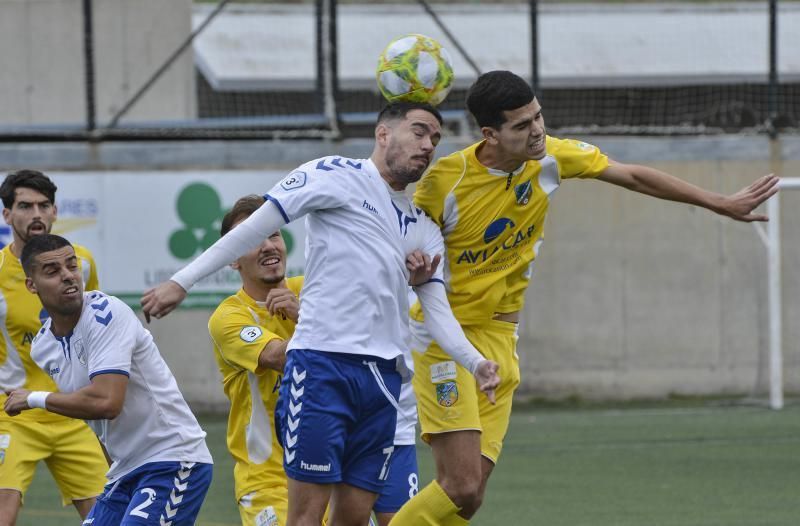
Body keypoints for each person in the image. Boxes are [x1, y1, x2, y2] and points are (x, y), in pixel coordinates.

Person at [389, 70, 780, 525]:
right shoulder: (444, 182)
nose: (536, 130)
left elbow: (632, 176)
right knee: (460, 485)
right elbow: (402, 246)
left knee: (471, 497)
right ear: (490, 134)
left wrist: (718, 202)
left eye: (538, 117)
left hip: (500, 337)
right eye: (521, 125)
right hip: (444, 337)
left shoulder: (552, 156)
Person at [141, 101, 501, 526]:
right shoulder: (334, 174)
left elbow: (437, 310)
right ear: (383, 134)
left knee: (352, 519)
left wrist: (475, 362)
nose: (428, 145)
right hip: (322, 368)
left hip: (384, 381)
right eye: (420, 132)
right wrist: (182, 281)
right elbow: (256, 226)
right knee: (306, 518)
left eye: (436, 140)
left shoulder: (422, 228)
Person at [5, 234, 214, 525]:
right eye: (52, 272)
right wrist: (114, 474)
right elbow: (95, 420)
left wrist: (33, 398)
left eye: (71, 266)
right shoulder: (43, 345)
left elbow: (106, 402)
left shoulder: (107, 313)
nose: (68, 276)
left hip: (173, 459)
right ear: (31, 285)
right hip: (125, 472)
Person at [0, 170, 107, 525]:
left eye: (44, 205)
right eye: (25, 206)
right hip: (12, 415)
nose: (36, 214)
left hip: (70, 411)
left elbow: (94, 326)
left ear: (55, 211)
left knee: (109, 517)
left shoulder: (82, 262)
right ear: (7, 215)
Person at [208, 195, 301, 526]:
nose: (268, 246)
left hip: (332, 471)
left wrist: (302, 313)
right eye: (252, 239)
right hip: (267, 481)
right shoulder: (228, 317)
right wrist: (310, 320)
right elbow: (283, 358)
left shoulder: (313, 291)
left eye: (274, 234)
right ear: (232, 259)